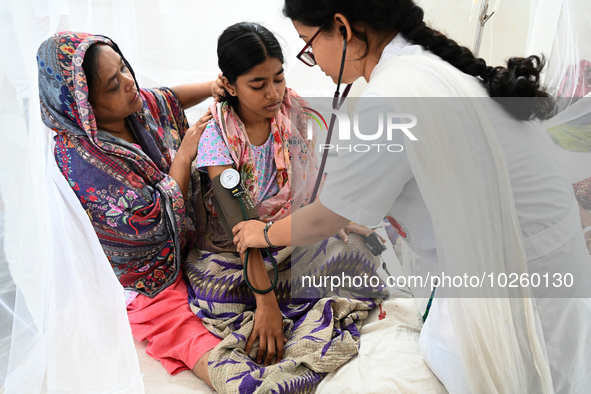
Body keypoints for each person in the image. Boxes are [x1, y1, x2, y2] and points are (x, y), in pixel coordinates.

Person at [232, 1, 591, 393]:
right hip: (544, 258)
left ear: (343, 28)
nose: (314, 60)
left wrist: (259, 234)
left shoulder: (391, 97)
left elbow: (323, 218)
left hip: (521, 282)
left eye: (308, 44)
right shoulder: (427, 68)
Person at [183, 22, 384, 393]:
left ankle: (292, 308)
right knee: (222, 298)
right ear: (228, 85)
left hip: (287, 239)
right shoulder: (218, 138)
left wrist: (332, 216)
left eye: (278, 78)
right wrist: (266, 304)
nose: (273, 93)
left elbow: (310, 179)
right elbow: (241, 226)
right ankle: (281, 312)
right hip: (235, 254)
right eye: (258, 85)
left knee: (362, 256)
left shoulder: (292, 113)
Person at [37, 31, 222, 388]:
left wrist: (214, 86)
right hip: (147, 279)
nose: (128, 82)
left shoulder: (131, 110)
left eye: (123, 67)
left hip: (189, 244)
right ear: (83, 106)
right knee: (215, 354)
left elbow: (166, 99)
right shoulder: (82, 160)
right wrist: (184, 154)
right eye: (111, 85)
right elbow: (149, 226)